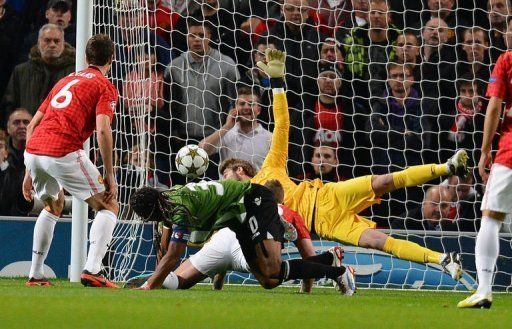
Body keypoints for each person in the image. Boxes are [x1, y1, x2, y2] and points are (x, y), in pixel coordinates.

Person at [223, 47, 467, 280]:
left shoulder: (269, 168)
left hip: (329, 195)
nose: (224, 182)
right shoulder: (243, 205)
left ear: (239, 169)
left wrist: (276, 83)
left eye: (226, 175)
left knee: (385, 181)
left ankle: (447, 167)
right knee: (378, 241)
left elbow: (282, 123)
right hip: (325, 223)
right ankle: (441, 259)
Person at [129, 179, 355, 294]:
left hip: (252, 201)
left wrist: (149, 286)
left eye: (149, 217)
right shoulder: (169, 198)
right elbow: (168, 244)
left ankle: (339, 272)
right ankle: (328, 260)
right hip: (235, 222)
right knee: (269, 280)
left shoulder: (180, 207)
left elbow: (174, 255)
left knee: (273, 271)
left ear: (153, 210)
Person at [22, 34, 119, 288]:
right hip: (61, 150)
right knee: (108, 205)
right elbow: (102, 130)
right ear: (111, 59)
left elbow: (32, 125)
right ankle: (93, 270)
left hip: (33, 150)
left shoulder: (65, 80)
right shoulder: (104, 86)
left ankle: (36, 274)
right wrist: (109, 173)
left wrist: (28, 172)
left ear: (86, 58)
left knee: (52, 206)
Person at [457, 50, 512, 309]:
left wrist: (485, 150)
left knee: (491, 217)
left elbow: (493, 106)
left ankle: (484, 290)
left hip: (510, 151)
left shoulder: (507, 60)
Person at [1, 23, 75, 122]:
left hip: (62, 131)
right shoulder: (20, 71)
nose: (52, 45)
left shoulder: (75, 72)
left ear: (63, 43)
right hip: (28, 132)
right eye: (47, 40)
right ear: (38, 42)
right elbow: (9, 104)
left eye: (57, 41)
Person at [199, 87, 271, 171]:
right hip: (228, 184)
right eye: (242, 104)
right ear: (235, 108)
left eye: (251, 104)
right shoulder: (226, 133)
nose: (246, 107)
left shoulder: (269, 137)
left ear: (258, 110)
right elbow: (201, 151)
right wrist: (226, 126)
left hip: (256, 184)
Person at [0, 109, 33, 216]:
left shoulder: (44, 155)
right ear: (8, 129)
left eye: (26, 122)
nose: (22, 126)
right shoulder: (2, 154)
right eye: (16, 122)